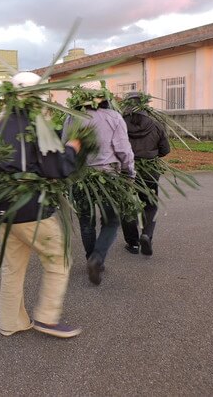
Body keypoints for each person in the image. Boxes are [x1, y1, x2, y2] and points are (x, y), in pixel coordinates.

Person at [0, 72, 83, 339]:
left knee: (13, 268)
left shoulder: (0, 125)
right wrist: (72, 149)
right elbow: (55, 168)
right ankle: (47, 319)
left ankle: (11, 322)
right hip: (31, 210)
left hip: (4, 210)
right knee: (59, 259)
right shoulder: (36, 124)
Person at [63, 86, 136, 285]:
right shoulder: (113, 117)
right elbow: (123, 150)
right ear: (103, 99)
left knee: (86, 222)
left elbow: (65, 147)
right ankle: (97, 258)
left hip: (80, 179)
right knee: (111, 221)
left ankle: (91, 258)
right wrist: (130, 173)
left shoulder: (71, 118)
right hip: (109, 177)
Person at [120, 92, 170, 256]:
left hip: (126, 170)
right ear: (144, 104)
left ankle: (133, 244)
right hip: (150, 170)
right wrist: (153, 155)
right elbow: (165, 149)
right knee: (150, 204)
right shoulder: (155, 123)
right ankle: (146, 235)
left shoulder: (120, 123)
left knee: (127, 205)